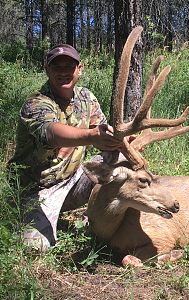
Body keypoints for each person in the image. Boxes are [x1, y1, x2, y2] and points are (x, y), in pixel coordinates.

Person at [9, 44, 124, 251]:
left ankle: (101, 218)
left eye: (69, 67)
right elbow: (51, 133)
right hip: (37, 189)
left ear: (79, 69)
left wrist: (121, 141)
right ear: (47, 69)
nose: (63, 72)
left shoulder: (86, 98)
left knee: (121, 163)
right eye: (57, 67)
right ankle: (19, 213)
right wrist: (91, 136)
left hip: (74, 180)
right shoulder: (36, 103)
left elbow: (103, 132)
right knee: (35, 247)